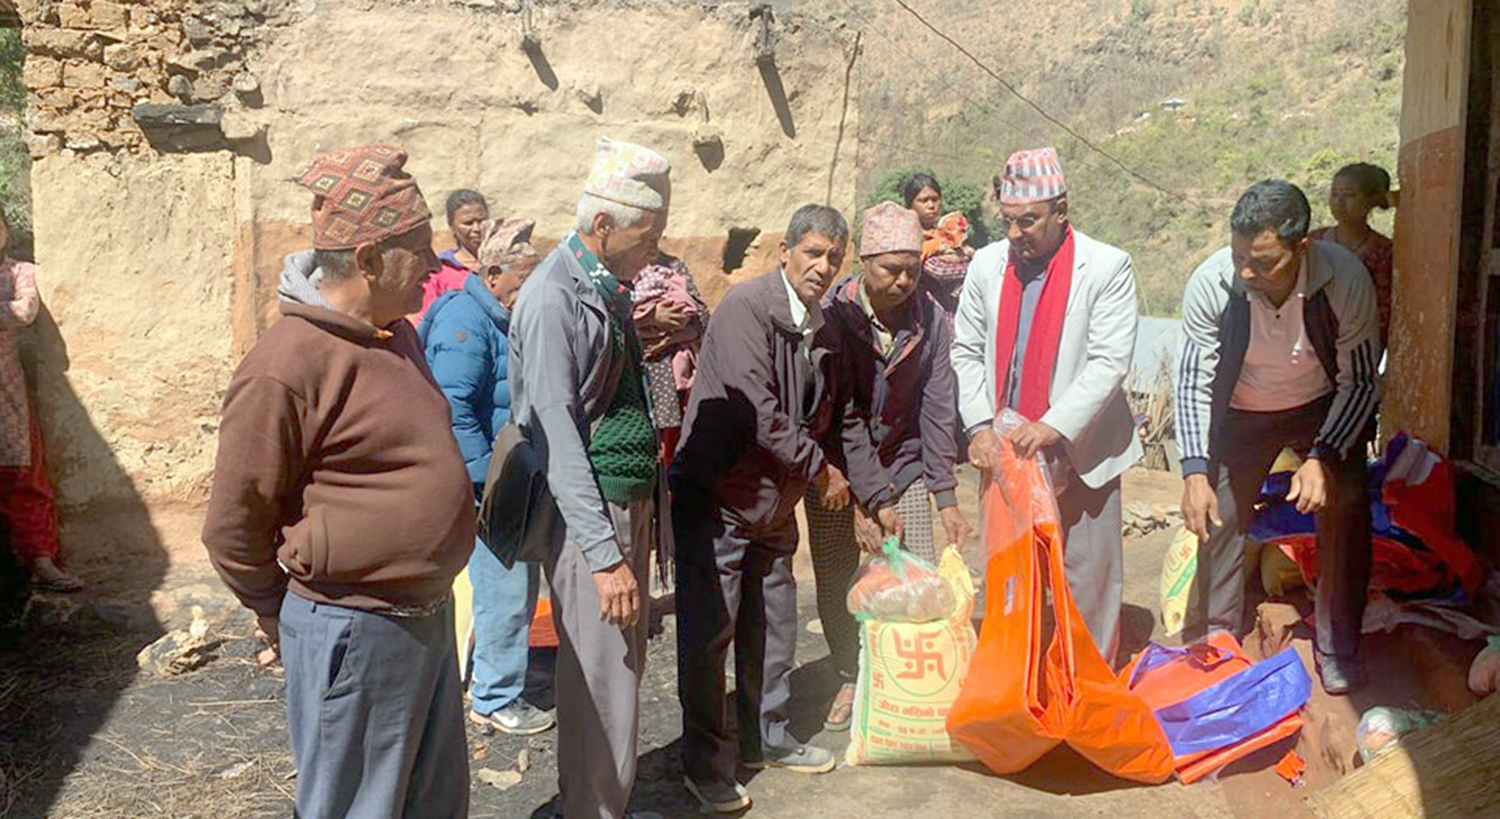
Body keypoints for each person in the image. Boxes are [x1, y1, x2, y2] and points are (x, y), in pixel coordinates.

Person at [202, 144, 474, 818]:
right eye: (420, 248)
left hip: (427, 620)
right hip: (352, 634)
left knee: (431, 805)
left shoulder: (396, 336)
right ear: (371, 259)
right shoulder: (286, 364)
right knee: (357, 807)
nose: (436, 265)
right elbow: (233, 525)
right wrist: (281, 615)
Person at [508, 137, 671, 819]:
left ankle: (608, 802)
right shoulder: (552, 298)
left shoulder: (601, 286)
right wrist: (605, 558)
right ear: (602, 226)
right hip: (591, 518)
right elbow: (557, 431)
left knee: (618, 673)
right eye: (646, 237)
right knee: (600, 678)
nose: (653, 253)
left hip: (620, 508)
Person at [672, 204, 853, 814]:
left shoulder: (823, 327)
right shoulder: (745, 308)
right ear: (786, 251)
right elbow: (758, 407)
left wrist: (850, 480)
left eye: (833, 257)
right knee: (710, 632)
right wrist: (820, 469)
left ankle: (768, 737)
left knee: (774, 625)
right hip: (719, 496)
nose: (823, 267)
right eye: (813, 253)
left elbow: (828, 414)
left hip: (775, 503)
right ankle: (705, 762)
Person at [1175, 180, 1380, 695]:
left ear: (1302, 248)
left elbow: (1360, 382)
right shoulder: (1213, 283)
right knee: (1218, 516)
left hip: (1321, 407)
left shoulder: (1345, 278)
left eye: (1263, 262)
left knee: (1347, 503)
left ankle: (1338, 649)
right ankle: (1219, 638)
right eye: (1239, 255)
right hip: (1242, 412)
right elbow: (1193, 380)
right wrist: (1195, 471)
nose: (1247, 272)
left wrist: (1325, 457)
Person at [951, 147, 1141, 664]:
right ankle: (1020, 679)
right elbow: (965, 349)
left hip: (1083, 449)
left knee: (1089, 575)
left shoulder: (1106, 266)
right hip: (1006, 450)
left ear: (1061, 210)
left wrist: (1053, 425)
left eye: (1028, 222)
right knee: (1012, 571)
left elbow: (1108, 362)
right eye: (1008, 222)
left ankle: (1090, 682)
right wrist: (978, 426)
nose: (1015, 235)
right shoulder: (988, 265)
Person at [806, 200, 973, 732]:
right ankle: (851, 673)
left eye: (912, 269)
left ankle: (905, 676)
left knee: (913, 577)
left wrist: (944, 494)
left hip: (904, 465)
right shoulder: (832, 318)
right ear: (863, 262)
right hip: (834, 468)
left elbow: (938, 406)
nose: (903, 281)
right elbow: (833, 413)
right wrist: (857, 499)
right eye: (890, 269)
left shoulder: (933, 322)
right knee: (837, 574)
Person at [420, 219, 551, 736]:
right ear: (493, 274)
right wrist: (486, 483)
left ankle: (498, 679)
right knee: (503, 585)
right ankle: (496, 696)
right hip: (489, 483)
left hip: (506, 473)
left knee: (513, 584)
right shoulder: (466, 322)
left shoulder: (495, 316)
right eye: (521, 284)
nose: (528, 296)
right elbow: (454, 412)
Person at [0, 210, 80, 593]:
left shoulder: (20, 273)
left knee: (22, 478)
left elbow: (24, 311)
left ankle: (42, 562)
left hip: (6, 393)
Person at [631, 255, 709, 465]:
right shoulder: (620, 267)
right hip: (638, 377)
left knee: (674, 448)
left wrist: (668, 338)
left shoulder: (673, 265)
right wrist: (650, 317)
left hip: (676, 382)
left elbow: (701, 319)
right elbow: (614, 318)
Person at [1309, 163, 1394, 347]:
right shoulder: (1314, 241)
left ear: (1369, 201)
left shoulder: (1384, 252)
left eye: (1349, 195)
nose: (1339, 202)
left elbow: (1383, 312)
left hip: (1359, 342)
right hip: (1314, 340)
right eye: (1335, 194)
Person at [904, 172, 974, 317]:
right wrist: (974, 266)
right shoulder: (909, 236)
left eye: (935, 199)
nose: (931, 206)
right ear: (910, 204)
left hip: (950, 311)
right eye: (924, 200)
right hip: (921, 312)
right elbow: (938, 270)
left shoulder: (942, 233)